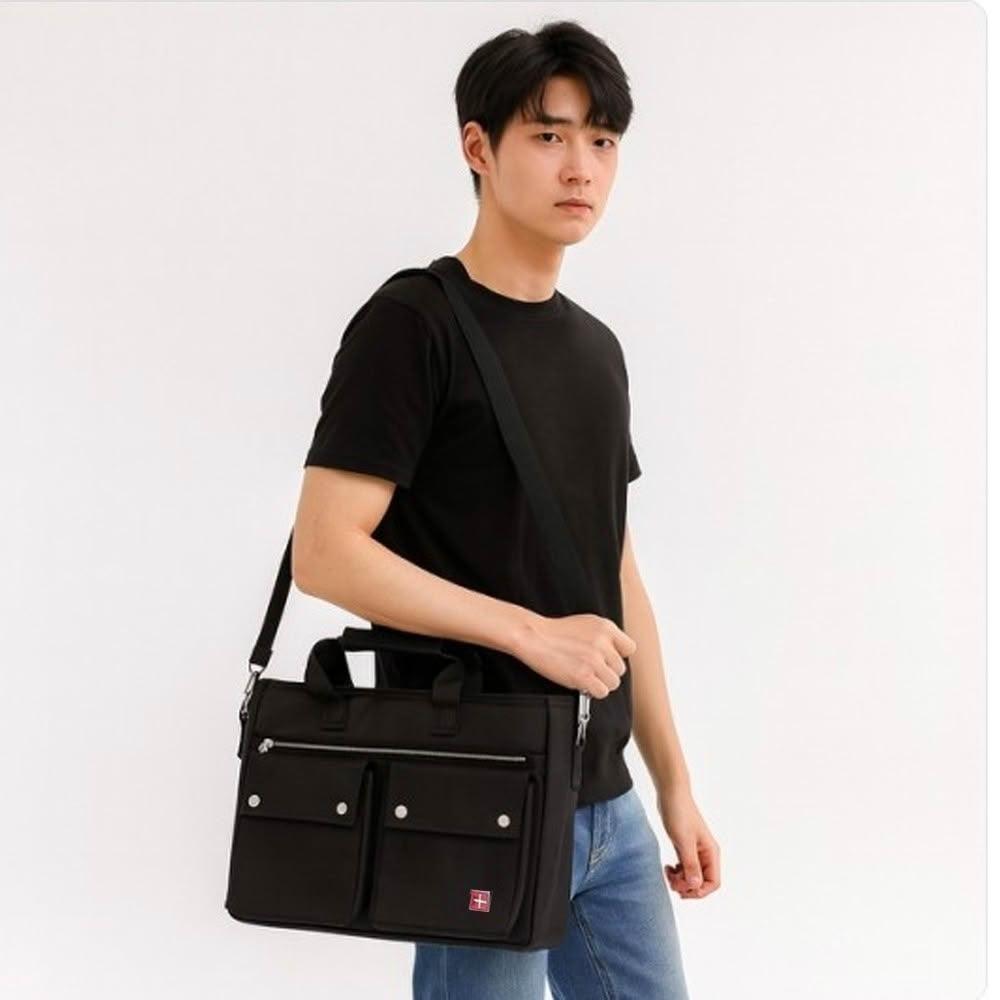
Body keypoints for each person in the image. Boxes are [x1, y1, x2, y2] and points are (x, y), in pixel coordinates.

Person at [292, 18, 719, 1000]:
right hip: (473, 791)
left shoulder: (597, 351)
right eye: (549, 135)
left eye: (602, 140)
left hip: (607, 803)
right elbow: (325, 552)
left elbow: (615, 573)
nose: (582, 167)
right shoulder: (412, 325)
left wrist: (675, 784)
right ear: (477, 147)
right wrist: (529, 634)